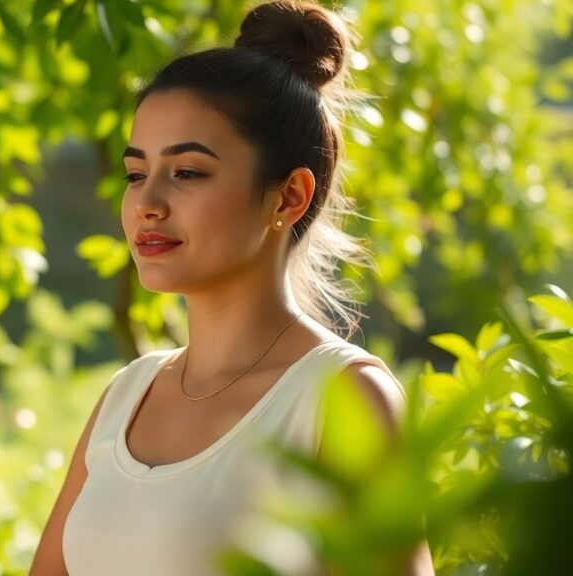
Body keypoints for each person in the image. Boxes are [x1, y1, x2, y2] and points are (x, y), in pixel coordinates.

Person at [30, 1, 436, 575]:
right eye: (136, 173)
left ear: (289, 196)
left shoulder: (342, 401)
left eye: (188, 172)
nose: (147, 204)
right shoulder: (128, 394)